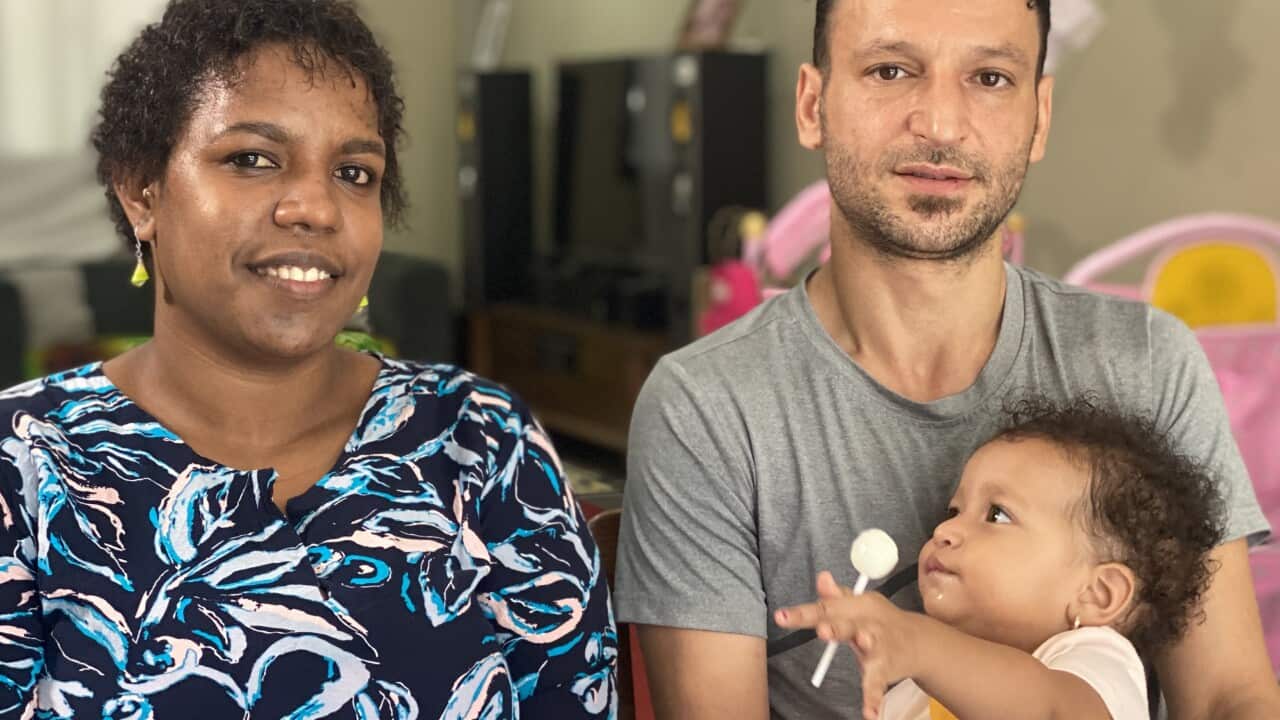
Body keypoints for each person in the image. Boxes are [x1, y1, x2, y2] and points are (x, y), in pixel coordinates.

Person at [613, 0, 1277, 717]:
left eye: (990, 78)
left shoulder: (1148, 364)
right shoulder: (705, 408)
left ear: (1039, 117)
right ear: (813, 105)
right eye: (890, 69)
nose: (940, 123)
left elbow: (1227, 699)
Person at [0, 1, 616, 718]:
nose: (316, 208)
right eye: (253, 160)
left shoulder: (481, 439)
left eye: (355, 173)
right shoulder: (25, 464)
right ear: (142, 192)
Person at [775, 396, 1225, 720]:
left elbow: (1049, 709)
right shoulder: (913, 693)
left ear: (1097, 593)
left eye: (996, 515)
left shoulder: (1092, 660)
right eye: (953, 511)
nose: (944, 530)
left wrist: (918, 643)